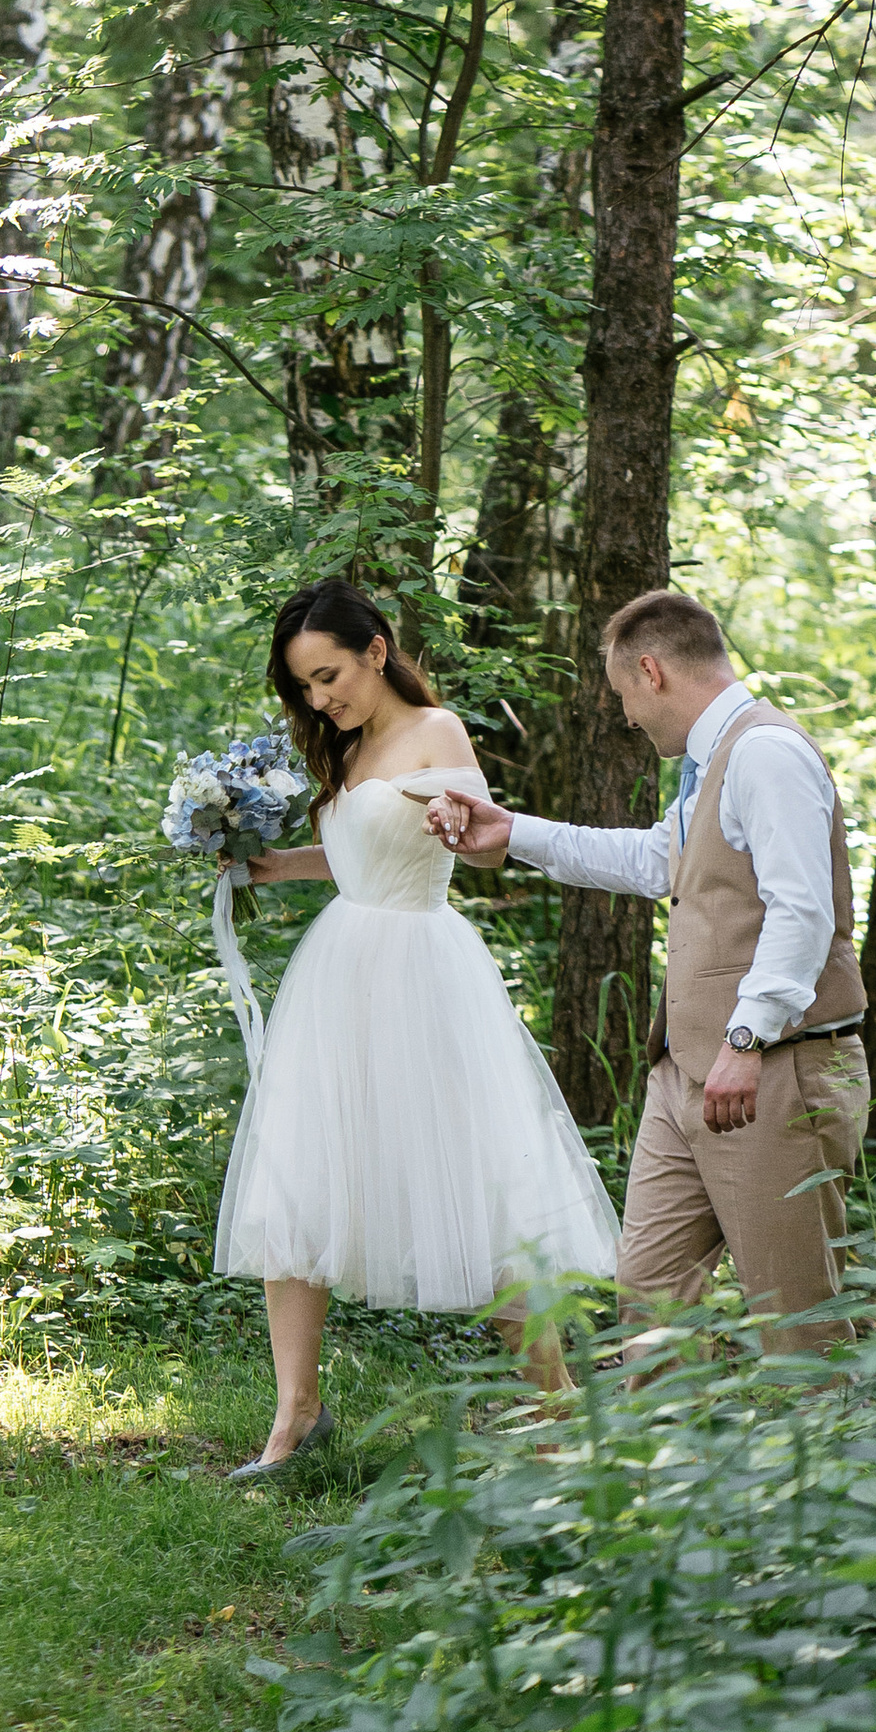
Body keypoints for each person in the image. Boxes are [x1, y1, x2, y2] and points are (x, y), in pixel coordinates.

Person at [213, 578, 621, 1475]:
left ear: (377, 649)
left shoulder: (432, 733)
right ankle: (294, 1419)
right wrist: (266, 863)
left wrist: (448, 812)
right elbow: (361, 850)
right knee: (300, 1182)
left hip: (420, 978)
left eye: (329, 676)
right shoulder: (347, 749)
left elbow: (459, 813)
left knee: (478, 1187)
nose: (322, 699)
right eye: (305, 688)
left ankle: (556, 1417)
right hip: (338, 978)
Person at [430, 588, 868, 1357]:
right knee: (649, 1299)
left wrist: (747, 1038)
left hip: (772, 1071)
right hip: (687, 1077)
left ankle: (827, 1470)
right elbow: (652, 860)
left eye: (623, 694)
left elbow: (803, 912)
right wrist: (516, 832)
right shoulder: (709, 765)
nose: (626, 715)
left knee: (797, 1320)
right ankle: (659, 1473)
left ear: (651, 670)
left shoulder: (765, 753)